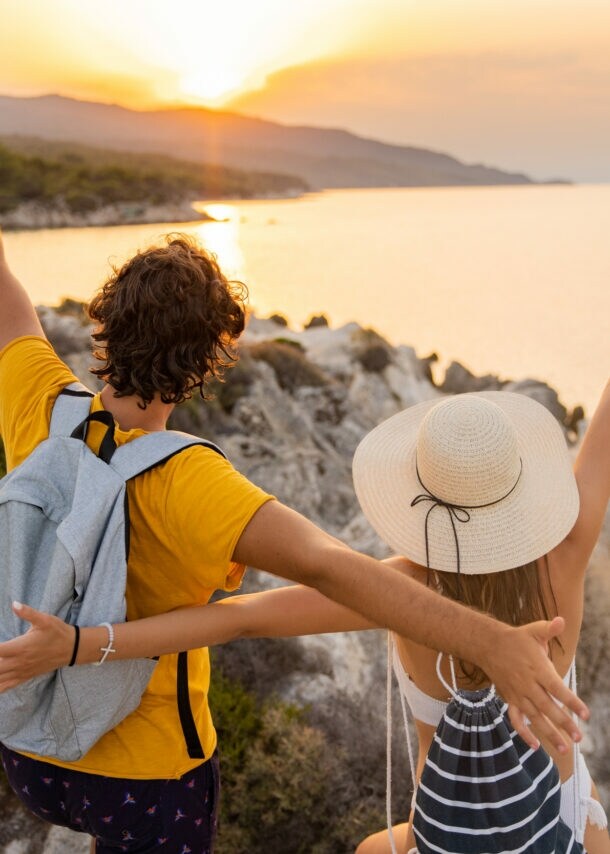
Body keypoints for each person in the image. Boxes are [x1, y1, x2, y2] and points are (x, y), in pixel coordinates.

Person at [0, 228, 588, 852]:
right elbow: (329, 566)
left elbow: (8, 293)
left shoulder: (41, 403)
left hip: (30, 752)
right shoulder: (194, 482)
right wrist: (491, 642)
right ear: (208, 361)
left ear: (105, 321)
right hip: (145, 779)